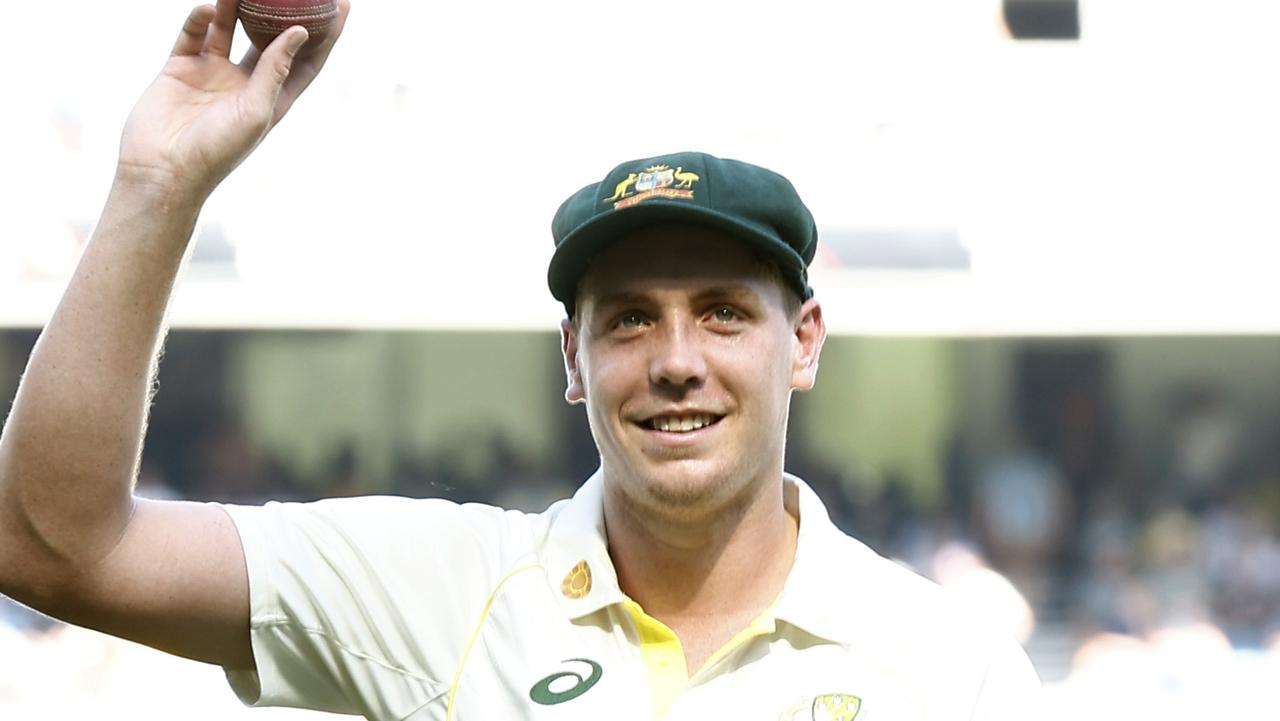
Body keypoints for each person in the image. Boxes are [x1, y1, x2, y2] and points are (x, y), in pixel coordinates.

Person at [0, 2, 1041, 719]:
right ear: (572, 358)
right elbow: (53, 546)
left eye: (722, 313)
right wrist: (158, 185)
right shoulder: (441, 593)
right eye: (628, 319)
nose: (676, 360)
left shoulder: (947, 667)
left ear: (801, 341)